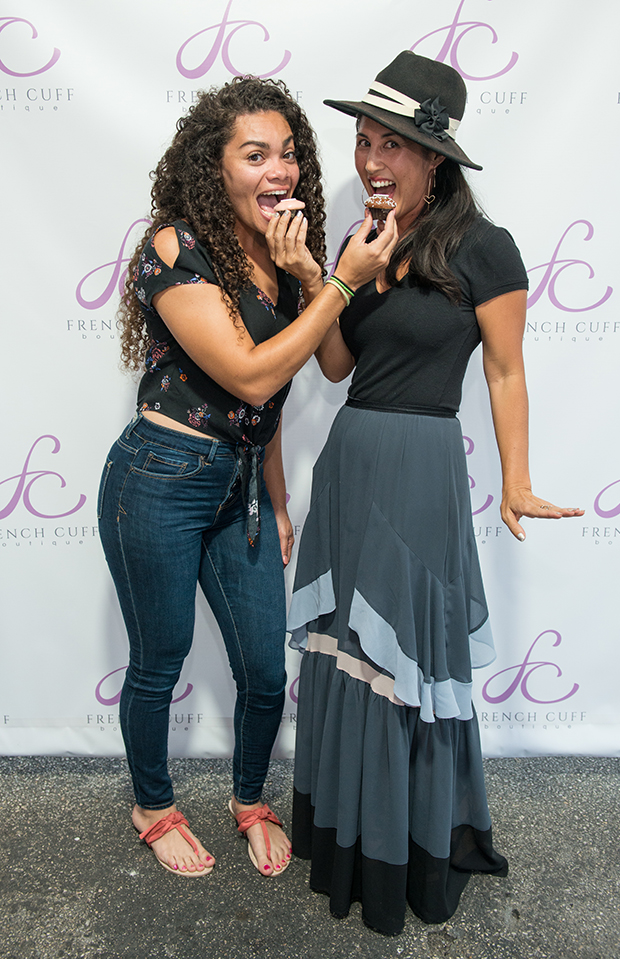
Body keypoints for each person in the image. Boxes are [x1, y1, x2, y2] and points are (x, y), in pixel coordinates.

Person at [288, 51, 584, 933]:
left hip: (420, 470)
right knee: (349, 651)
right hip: (350, 459)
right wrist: (320, 278)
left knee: (401, 662)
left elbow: (505, 372)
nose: (371, 160)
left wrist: (517, 479)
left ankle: (403, 847)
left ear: (435, 158)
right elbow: (336, 365)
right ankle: (345, 835)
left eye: (392, 145)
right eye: (363, 140)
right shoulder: (363, 241)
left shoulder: (486, 248)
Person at [98, 76, 396, 878]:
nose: (280, 170)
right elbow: (251, 375)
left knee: (265, 669)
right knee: (159, 660)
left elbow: (296, 386)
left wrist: (276, 496)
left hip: (243, 492)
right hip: (158, 479)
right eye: (255, 154)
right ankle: (152, 804)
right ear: (215, 166)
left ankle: (249, 798)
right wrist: (341, 282)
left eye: (288, 154)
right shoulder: (175, 245)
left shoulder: (282, 250)